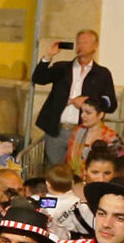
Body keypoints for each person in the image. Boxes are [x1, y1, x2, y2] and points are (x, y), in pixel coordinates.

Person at [28, 30, 113, 168]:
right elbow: (38, 78)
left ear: (95, 46)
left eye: (85, 43)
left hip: (83, 131)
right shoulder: (62, 67)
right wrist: (48, 56)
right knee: (54, 169)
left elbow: (110, 103)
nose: (80, 46)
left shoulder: (102, 74)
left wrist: (88, 101)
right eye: (78, 42)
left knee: (78, 168)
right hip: (57, 129)